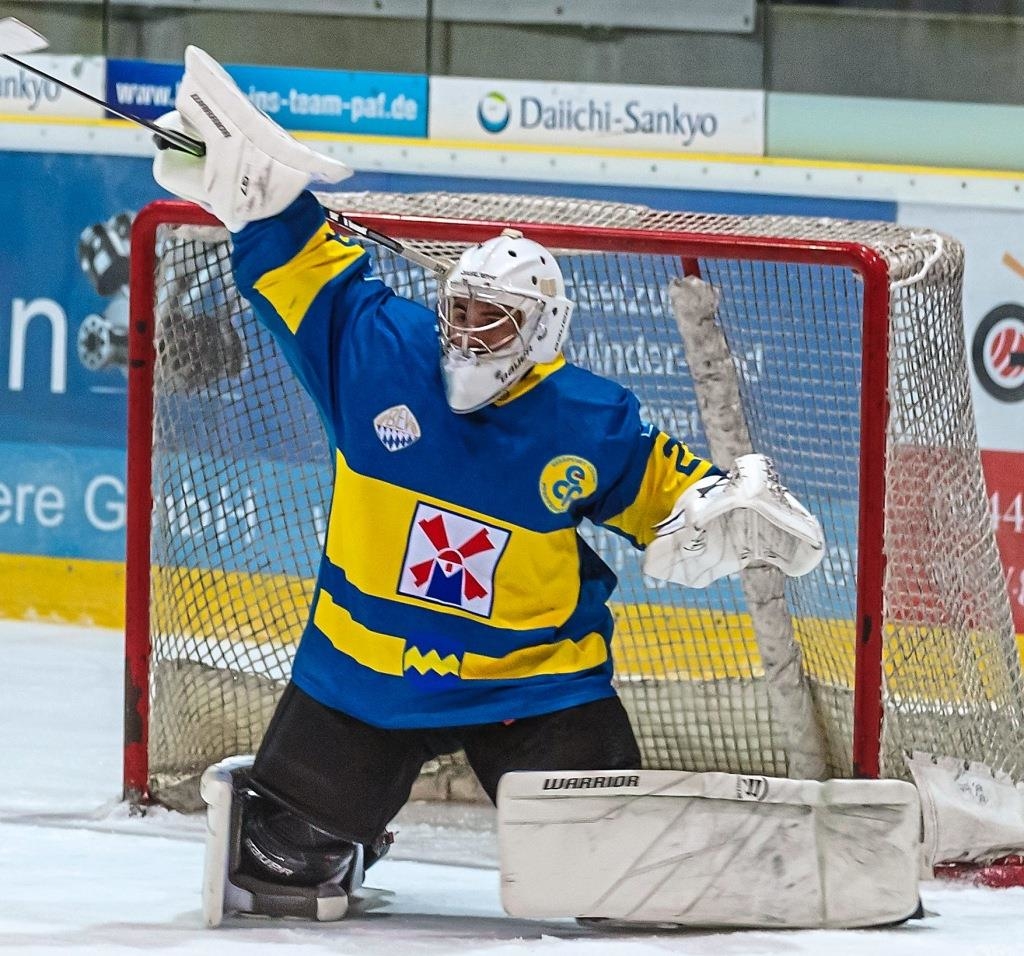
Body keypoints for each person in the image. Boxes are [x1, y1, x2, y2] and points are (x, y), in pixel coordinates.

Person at [152, 47, 825, 925]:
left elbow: (670, 492)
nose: (468, 335)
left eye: (493, 318)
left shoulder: (586, 418)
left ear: (542, 330)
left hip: (534, 686)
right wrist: (259, 196)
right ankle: (335, 824)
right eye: (459, 311)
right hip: (367, 674)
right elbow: (304, 261)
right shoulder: (381, 356)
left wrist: (720, 516)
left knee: (613, 882)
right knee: (283, 866)